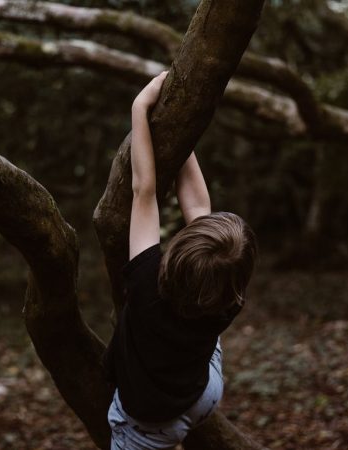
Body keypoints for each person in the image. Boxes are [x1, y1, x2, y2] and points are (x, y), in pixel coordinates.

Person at [104, 71, 258, 450]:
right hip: (203, 392)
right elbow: (195, 205)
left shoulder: (146, 285)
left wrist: (141, 107)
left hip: (150, 422)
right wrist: (177, 129)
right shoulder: (229, 298)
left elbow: (144, 191)